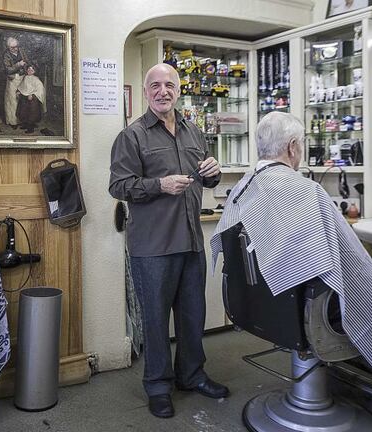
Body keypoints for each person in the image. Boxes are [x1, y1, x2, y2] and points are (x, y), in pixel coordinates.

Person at [109, 63, 229, 418]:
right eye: (156, 86)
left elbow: (206, 179)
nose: (163, 91)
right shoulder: (131, 137)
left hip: (191, 240)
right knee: (157, 320)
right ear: (146, 92)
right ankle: (158, 386)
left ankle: (191, 375)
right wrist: (158, 185)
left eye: (170, 85)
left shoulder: (194, 132)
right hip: (153, 246)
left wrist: (214, 173)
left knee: (194, 315)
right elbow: (118, 186)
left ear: (179, 90)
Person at [211, 111, 372, 368]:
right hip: (304, 309)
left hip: (260, 305)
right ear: (293, 147)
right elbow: (352, 259)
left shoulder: (244, 187)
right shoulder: (307, 191)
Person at [3, 37, 29, 129]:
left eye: (16, 46)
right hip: (13, 79)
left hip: (23, 77)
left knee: (23, 98)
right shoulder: (6, 55)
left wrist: (26, 66)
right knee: (12, 100)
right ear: (8, 47)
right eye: (12, 47)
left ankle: (23, 120)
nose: (15, 49)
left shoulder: (21, 51)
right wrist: (18, 65)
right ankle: (13, 122)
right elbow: (8, 70)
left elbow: (27, 61)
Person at [16, 64, 46, 133]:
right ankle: (25, 124)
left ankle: (30, 128)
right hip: (25, 97)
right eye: (28, 69)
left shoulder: (36, 79)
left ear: (34, 71)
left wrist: (32, 95)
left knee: (31, 113)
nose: (29, 71)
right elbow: (22, 86)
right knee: (23, 111)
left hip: (32, 99)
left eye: (31, 70)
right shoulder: (25, 77)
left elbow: (40, 89)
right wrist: (19, 91)